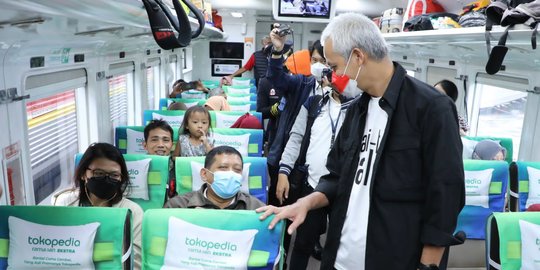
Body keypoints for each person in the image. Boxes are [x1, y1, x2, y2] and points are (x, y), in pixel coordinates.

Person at [257, 13, 465, 270]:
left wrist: (428, 266)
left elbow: (445, 197)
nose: (332, 76)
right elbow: (336, 177)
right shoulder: (357, 110)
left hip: (395, 260)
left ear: (357, 57)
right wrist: (306, 203)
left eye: (334, 67)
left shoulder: (431, 108)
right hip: (341, 260)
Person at [276, 76, 356, 268]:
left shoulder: (360, 109)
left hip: (346, 190)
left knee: (338, 248)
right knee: (303, 243)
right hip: (312, 185)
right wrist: (283, 172)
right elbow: (296, 138)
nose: (335, 77)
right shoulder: (314, 104)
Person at [51, 143, 143, 269]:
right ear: (84, 174)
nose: (106, 179)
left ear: (121, 178)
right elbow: (54, 252)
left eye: (114, 175)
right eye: (98, 173)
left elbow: (135, 262)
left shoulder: (132, 211)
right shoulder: (64, 203)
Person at [164, 146, 265, 209]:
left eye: (237, 170)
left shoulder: (256, 209)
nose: (230, 174)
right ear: (204, 174)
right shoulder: (178, 206)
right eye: (223, 168)